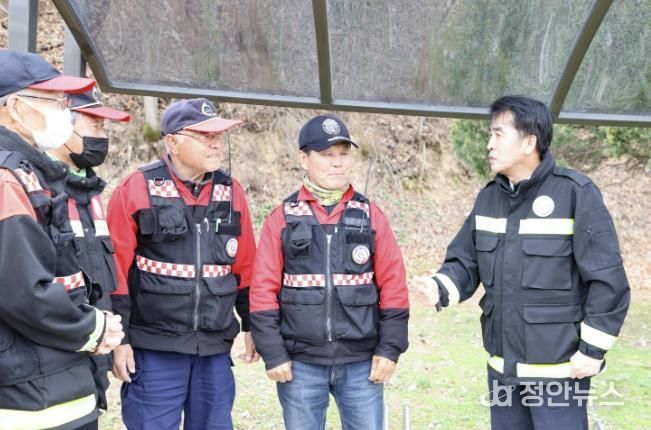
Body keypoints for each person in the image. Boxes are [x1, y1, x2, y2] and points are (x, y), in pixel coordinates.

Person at [412, 95, 630, 429]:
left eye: (498, 134)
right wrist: (437, 287)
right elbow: (465, 261)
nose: (489, 144)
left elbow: (607, 279)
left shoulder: (576, 194)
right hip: (503, 371)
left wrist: (592, 351)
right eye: (490, 134)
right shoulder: (489, 198)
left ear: (529, 142)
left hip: (559, 375)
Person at [107, 98, 258, 430]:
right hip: (154, 350)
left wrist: (252, 325)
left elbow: (246, 265)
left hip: (214, 350)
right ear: (173, 142)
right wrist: (120, 341)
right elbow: (114, 270)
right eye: (205, 136)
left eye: (219, 135)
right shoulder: (137, 188)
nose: (216, 143)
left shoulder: (232, 192)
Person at [250, 115, 409, 430]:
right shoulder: (281, 218)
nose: (337, 163)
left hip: (362, 364)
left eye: (343, 154)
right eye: (326, 155)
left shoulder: (371, 216)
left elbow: (394, 286)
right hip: (299, 366)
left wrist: (390, 349)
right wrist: (273, 353)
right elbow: (262, 290)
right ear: (304, 159)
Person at [0, 49, 124, 429]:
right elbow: (23, 291)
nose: (63, 113)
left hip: (47, 381)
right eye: (53, 101)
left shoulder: (30, 173)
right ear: (15, 107)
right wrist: (93, 328)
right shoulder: (7, 179)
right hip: (30, 396)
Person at [46, 87, 131, 423]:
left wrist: (116, 339)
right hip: (49, 364)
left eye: (104, 127)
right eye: (95, 125)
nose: (103, 136)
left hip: (90, 359)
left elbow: (102, 278)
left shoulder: (90, 192)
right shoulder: (36, 189)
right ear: (61, 125)